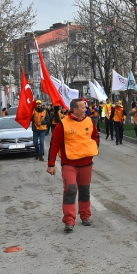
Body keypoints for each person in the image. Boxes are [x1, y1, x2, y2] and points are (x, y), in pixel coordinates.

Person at [47, 98, 100, 233]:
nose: (86, 109)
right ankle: (69, 220)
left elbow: (95, 137)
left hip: (86, 163)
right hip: (69, 164)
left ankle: (85, 216)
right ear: (75, 110)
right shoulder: (62, 124)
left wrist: (93, 149)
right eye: (83, 107)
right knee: (70, 190)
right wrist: (51, 164)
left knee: (84, 191)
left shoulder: (89, 121)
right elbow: (54, 145)